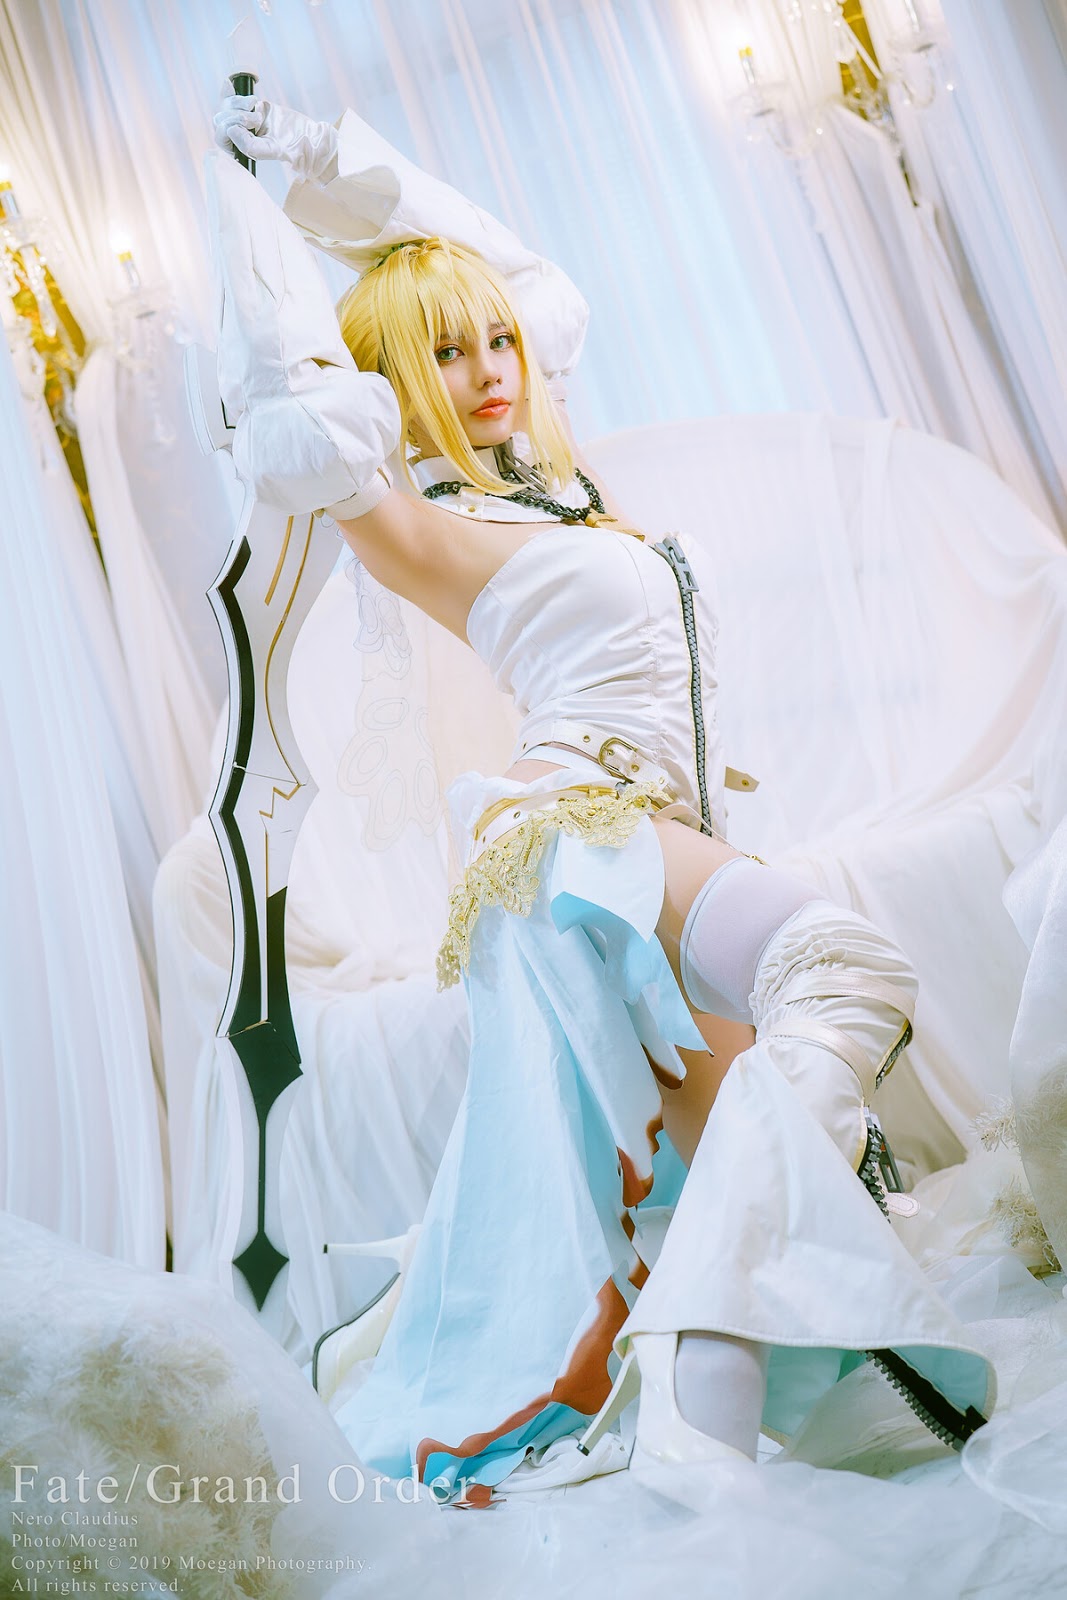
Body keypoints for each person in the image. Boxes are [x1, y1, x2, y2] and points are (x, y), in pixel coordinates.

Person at [211, 95, 995, 1501]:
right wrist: (258, 218)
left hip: (651, 840)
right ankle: (700, 1358)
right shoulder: (423, 522)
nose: (487, 369)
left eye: (495, 340)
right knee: (847, 970)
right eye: (444, 354)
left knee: (764, 1168)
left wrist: (340, 165)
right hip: (578, 836)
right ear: (393, 390)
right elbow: (301, 408)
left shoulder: (558, 490)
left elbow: (517, 269)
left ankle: (701, 1430)